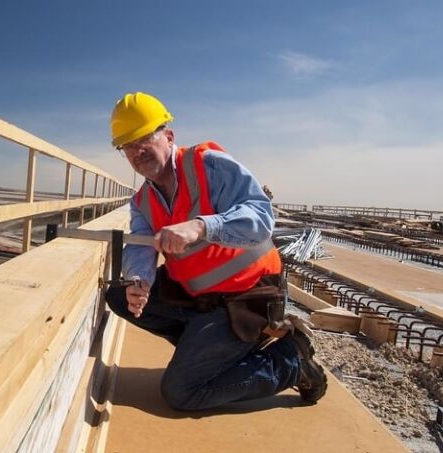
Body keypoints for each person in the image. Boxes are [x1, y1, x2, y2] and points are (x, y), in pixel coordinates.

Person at [106, 92, 327, 411]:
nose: (137, 151)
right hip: (200, 298)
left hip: (249, 295)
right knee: (118, 295)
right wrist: (139, 280)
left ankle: (290, 362)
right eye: (127, 145)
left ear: (169, 136)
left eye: (144, 139)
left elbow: (261, 218)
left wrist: (200, 226)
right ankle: (215, 351)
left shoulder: (208, 166)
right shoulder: (142, 202)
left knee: (181, 392)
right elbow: (141, 245)